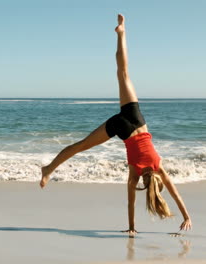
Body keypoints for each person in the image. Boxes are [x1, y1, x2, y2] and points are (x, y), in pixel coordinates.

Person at [39, 14, 192, 237]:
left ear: (158, 182)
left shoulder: (159, 168)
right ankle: (48, 170)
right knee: (81, 145)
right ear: (149, 185)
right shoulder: (136, 174)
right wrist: (131, 226)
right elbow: (130, 201)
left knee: (123, 73)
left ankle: (122, 32)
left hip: (136, 119)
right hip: (122, 128)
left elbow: (176, 194)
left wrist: (188, 215)